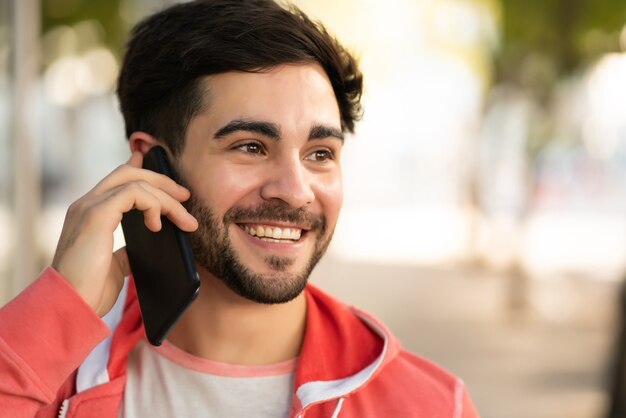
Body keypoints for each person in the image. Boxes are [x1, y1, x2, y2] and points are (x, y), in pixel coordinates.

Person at [0, 1, 480, 417]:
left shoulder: (432, 406)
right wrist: (56, 312)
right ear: (152, 166)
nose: (295, 191)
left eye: (319, 154)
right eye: (250, 146)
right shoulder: (48, 374)